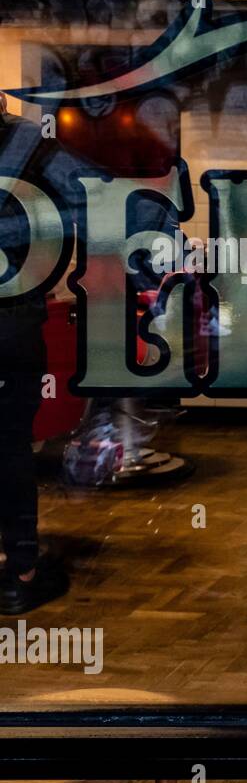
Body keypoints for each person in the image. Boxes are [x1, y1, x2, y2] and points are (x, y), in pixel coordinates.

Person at [0, 90, 69, 613]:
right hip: (12, 319)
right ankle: (20, 570)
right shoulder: (28, 145)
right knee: (9, 449)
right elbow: (59, 231)